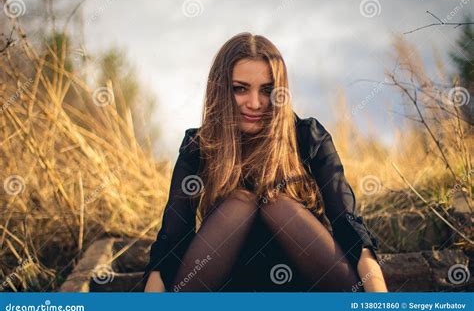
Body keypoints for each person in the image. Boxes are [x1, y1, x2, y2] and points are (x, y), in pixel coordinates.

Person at [143, 33, 388, 292]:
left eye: (267, 90)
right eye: (240, 88)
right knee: (240, 204)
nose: (255, 103)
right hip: (227, 291)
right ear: (221, 89)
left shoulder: (308, 137)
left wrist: (379, 299)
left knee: (276, 205)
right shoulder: (199, 147)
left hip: (305, 288)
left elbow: (348, 226)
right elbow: (172, 243)